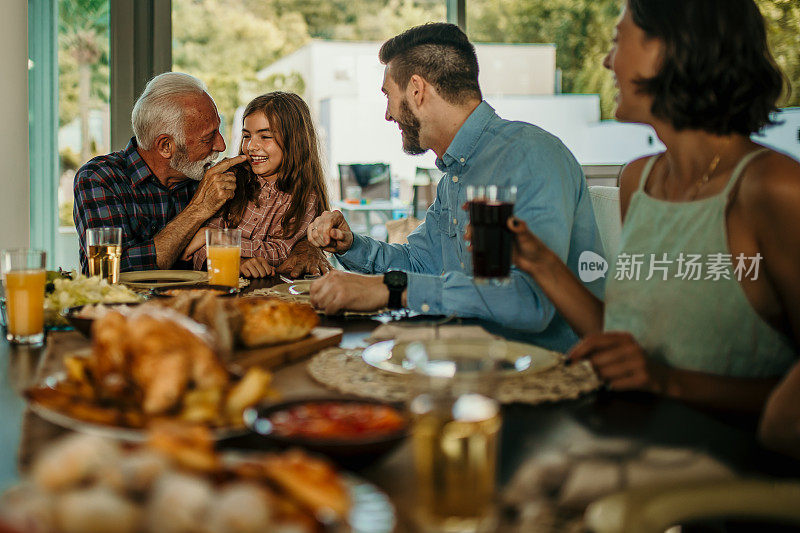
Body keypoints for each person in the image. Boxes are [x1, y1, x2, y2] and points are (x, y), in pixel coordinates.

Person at [506, 0, 800, 412]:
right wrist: (542, 264)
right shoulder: (638, 180)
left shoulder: (774, 188)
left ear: (671, 49)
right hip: (639, 441)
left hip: (741, 467)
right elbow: (632, 341)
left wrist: (669, 383)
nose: (608, 62)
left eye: (617, 41)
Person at [308, 23, 604, 352]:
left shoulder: (528, 156)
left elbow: (531, 302)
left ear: (417, 90)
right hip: (471, 360)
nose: (388, 114)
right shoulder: (455, 174)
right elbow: (419, 264)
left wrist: (394, 288)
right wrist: (351, 246)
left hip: (544, 375)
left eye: (388, 96)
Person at [73, 72, 329, 277]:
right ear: (166, 146)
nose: (222, 146)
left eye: (220, 130)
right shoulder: (100, 179)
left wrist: (307, 245)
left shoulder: (212, 176)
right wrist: (199, 211)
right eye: (208, 138)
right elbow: (110, 276)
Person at [181, 92, 330, 278]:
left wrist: (215, 237)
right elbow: (196, 250)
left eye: (265, 136)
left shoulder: (304, 196)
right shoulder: (231, 179)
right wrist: (236, 262)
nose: (251, 146)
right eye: (246, 136)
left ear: (295, 141)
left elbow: (282, 252)